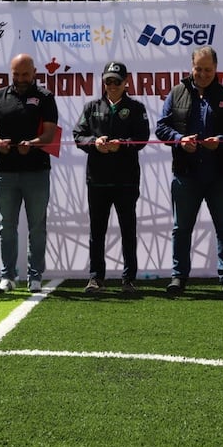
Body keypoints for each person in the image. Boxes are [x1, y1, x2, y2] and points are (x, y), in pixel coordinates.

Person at [155, 46, 223, 296]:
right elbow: (161, 128)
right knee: (181, 228)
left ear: (216, 69)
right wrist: (179, 140)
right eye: (199, 69)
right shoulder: (177, 92)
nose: (203, 74)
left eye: (208, 69)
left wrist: (221, 139)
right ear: (191, 67)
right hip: (186, 173)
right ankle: (179, 277)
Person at [0, 54, 58, 294]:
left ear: (34, 72)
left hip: (36, 172)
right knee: (7, 226)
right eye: (16, 74)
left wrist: (33, 143)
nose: (20, 79)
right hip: (5, 173)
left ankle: (35, 276)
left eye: (25, 74)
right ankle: (7, 276)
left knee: (37, 226)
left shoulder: (45, 97)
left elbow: (49, 134)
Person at [73, 61, 150, 294]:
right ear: (103, 82)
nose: (113, 85)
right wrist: (94, 144)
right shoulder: (91, 107)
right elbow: (78, 135)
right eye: (109, 81)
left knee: (128, 229)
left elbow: (142, 138)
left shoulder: (136, 108)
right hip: (97, 180)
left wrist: (122, 145)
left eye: (117, 81)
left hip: (126, 180)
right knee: (97, 232)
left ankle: (129, 279)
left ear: (126, 82)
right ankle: (96, 278)